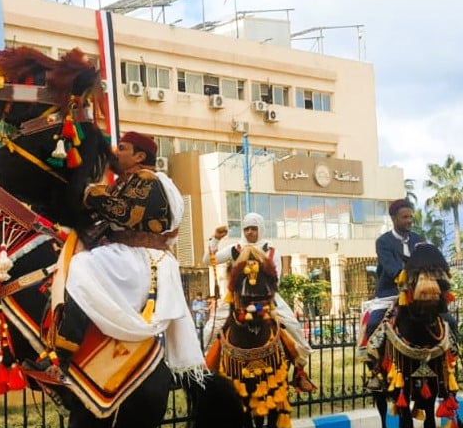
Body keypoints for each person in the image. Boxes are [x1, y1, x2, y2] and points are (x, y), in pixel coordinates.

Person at [28, 131, 205, 387]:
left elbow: (125, 214)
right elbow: (95, 215)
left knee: (81, 266)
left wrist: (90, 192)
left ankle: (63, 359)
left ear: (140, 156)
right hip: (127, 255)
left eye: (122, 148)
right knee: (73, 259)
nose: (116, 152)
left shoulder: (150, 181)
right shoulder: (126, 182)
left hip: (143, 259)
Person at [204, 212, 318, 392]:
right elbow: (207, 260)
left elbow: (276, 280)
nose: (250, 232)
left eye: (253, 228)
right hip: (236, 298)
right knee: (209, 330)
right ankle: (209, 373)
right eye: (246, 228)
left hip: (267, 298)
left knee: (294, 327)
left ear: (261, 229)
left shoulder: (271, 251)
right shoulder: (235, 248)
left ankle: (299, 372)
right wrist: (215, 240)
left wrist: (258, 297)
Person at [362, 198, 425, 345]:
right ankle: (375, 360)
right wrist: (407, 277)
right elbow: (392, 269)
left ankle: (450, 351)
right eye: (405, 217)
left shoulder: (418, 239)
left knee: (448, 320)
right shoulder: (383, 242)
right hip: (389, 295)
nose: (409, 220)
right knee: (372, 324)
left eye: (410, 217)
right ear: (393, 218)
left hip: (418, 295)